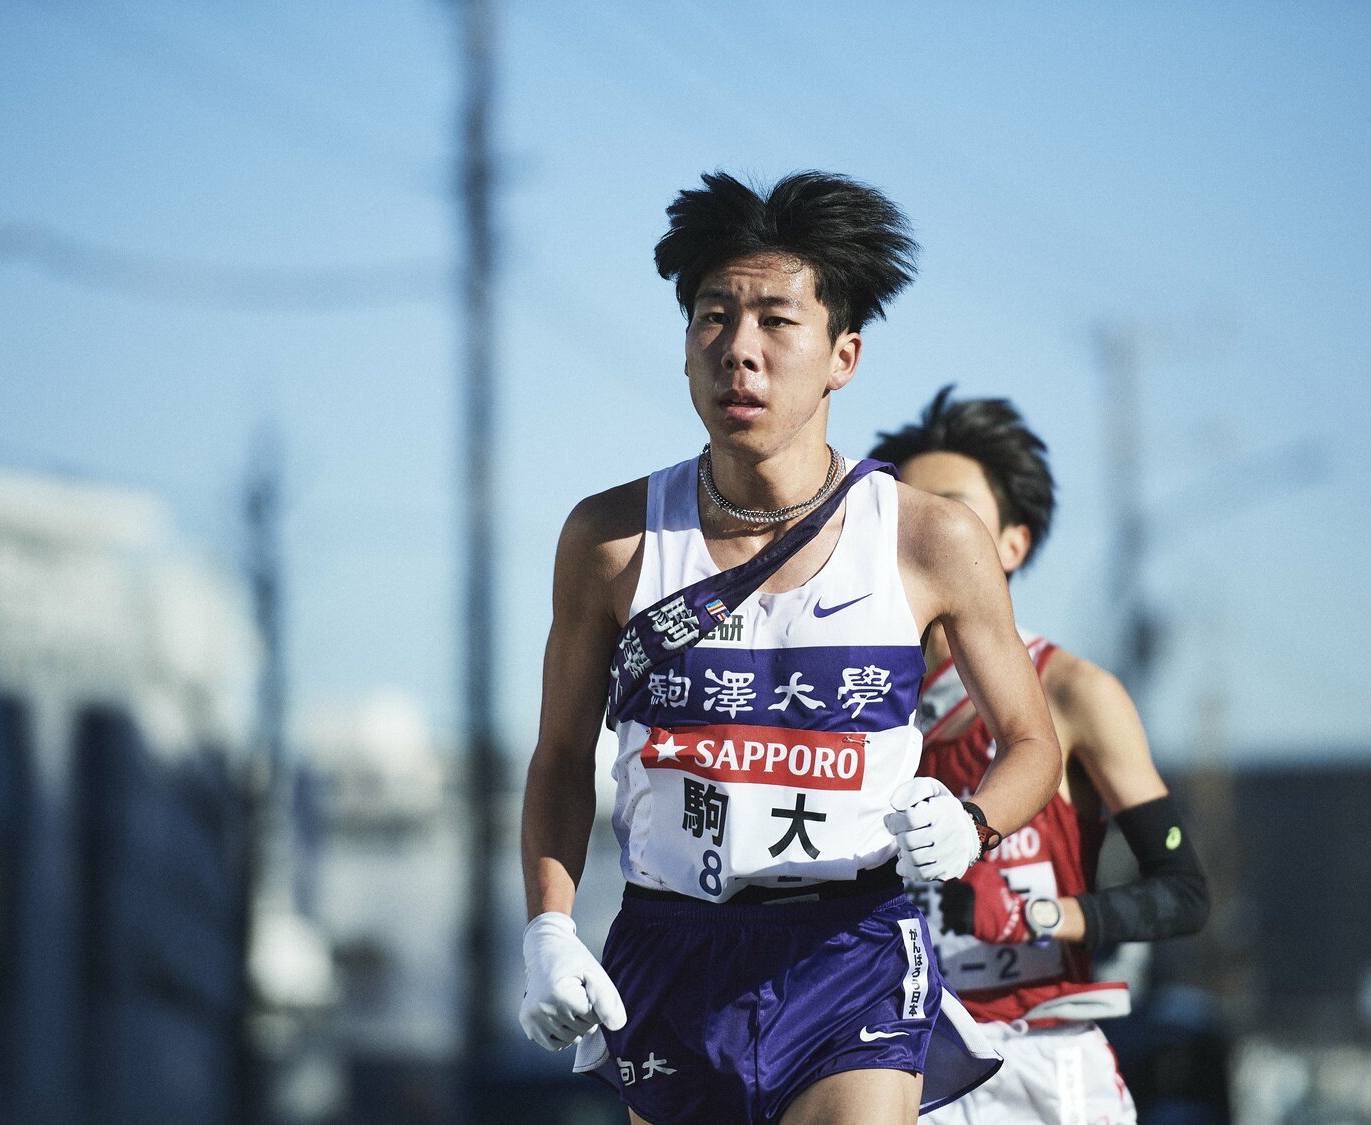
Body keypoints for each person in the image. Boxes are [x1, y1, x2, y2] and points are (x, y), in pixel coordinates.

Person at [517, 172, 1066, 1125]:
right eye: (711, 317)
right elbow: (563, 757)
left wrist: (971, 825)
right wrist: (549, 930)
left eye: (777, 321)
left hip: (849, 942)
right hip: (671, 945)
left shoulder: (928, 538)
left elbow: (1033, 745)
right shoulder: (611, 541)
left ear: (842, 355)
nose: (740, 351)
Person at [869, 391, 1211, 1125]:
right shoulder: (847, 700)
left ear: (1014, 542)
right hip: (894, 1060)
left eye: (952, 508)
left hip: (1043, 1062)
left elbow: (1182, 891)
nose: (927, 530)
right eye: (907, 511)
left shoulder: (1074, 690)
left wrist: (1036, 914)